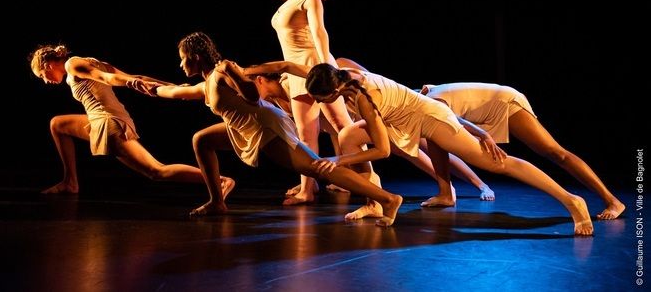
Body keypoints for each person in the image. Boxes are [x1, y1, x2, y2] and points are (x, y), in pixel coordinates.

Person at [249, 60, 593, 236]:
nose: (320, 103)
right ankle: (375, 202)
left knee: (497, 165)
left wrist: (337, 161)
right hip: (415, 113)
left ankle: (572, 201)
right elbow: (291, 67)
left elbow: (383, 151)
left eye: (322, 99)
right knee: (349, 135)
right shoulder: (336, 74)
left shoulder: (365, 98)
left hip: (432, 120)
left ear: (333, 90)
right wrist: (247, 71)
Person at [136, 32, 402, 225]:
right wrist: (145, 86)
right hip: (244, 129)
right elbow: (175, 92)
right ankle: (217, 201)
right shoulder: (207, 83)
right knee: (202, 140)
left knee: (314, 166)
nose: (181, 65)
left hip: (265, 127)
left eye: (183, 59)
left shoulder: (223, 71)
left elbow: (252, 96)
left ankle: (386, 198)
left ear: (195, 57)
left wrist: (236, 73)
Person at [249, 65, 495, 211]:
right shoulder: (286, 96)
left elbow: (371, 83)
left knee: (432, 147)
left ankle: (478, 184)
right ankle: (437, 191)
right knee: (411, 152)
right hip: (372, 120)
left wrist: (338, 161)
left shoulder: (331, 75)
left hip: (393, 111)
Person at [29, 44, 235, 199]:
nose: (45, 81)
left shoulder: (72, 64)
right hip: (98, 120)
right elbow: (136, 75)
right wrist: (173, 86)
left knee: (157, 171)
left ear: (47, 65)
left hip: (109, 123)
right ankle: (70, 182)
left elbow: (110, 79)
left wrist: (132, 82)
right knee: (58, 124)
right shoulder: (87, 60)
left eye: (41, 75)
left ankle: (220, 180)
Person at [270, 0, 380, 205]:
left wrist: (326, 70)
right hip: (297, 73)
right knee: (305, 135)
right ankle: (307, 189)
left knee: (345, 129)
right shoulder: (287, 3)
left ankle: (371, 181)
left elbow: (320, 33)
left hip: (316, 68)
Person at [419, 82, 625, 220]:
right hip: (490, 108)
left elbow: (454, 118)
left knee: (555, 152)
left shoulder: (427, 101)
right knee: (434, 137)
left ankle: (612, 200)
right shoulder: (425, 93)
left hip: (505, 103)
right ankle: (445, 193)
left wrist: (481, 134)